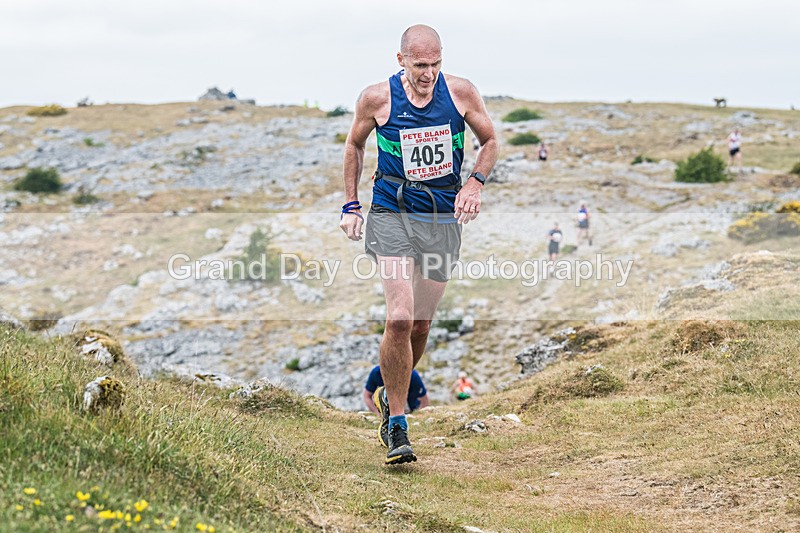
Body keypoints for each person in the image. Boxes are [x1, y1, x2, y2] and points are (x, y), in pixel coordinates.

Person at [339, 24, 497, 465]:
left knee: (421, 326)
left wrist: (475, 183)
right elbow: (354, 146)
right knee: (400, 318)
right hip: (391, 211)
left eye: (435, 64)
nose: (428, 74)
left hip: (441, 217)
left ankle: (389, 390)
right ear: (401, 60)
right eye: (420, 65)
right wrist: (351, 204)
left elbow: (490, 141)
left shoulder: (461, 93)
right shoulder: (377, 99)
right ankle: (397, 423)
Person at [364, 365, 429, 418]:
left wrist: (417, 416)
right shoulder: (376, 373)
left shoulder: (412, 374)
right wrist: (377, 413)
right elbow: (367, 395)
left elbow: (424, 400)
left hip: (411, 409)